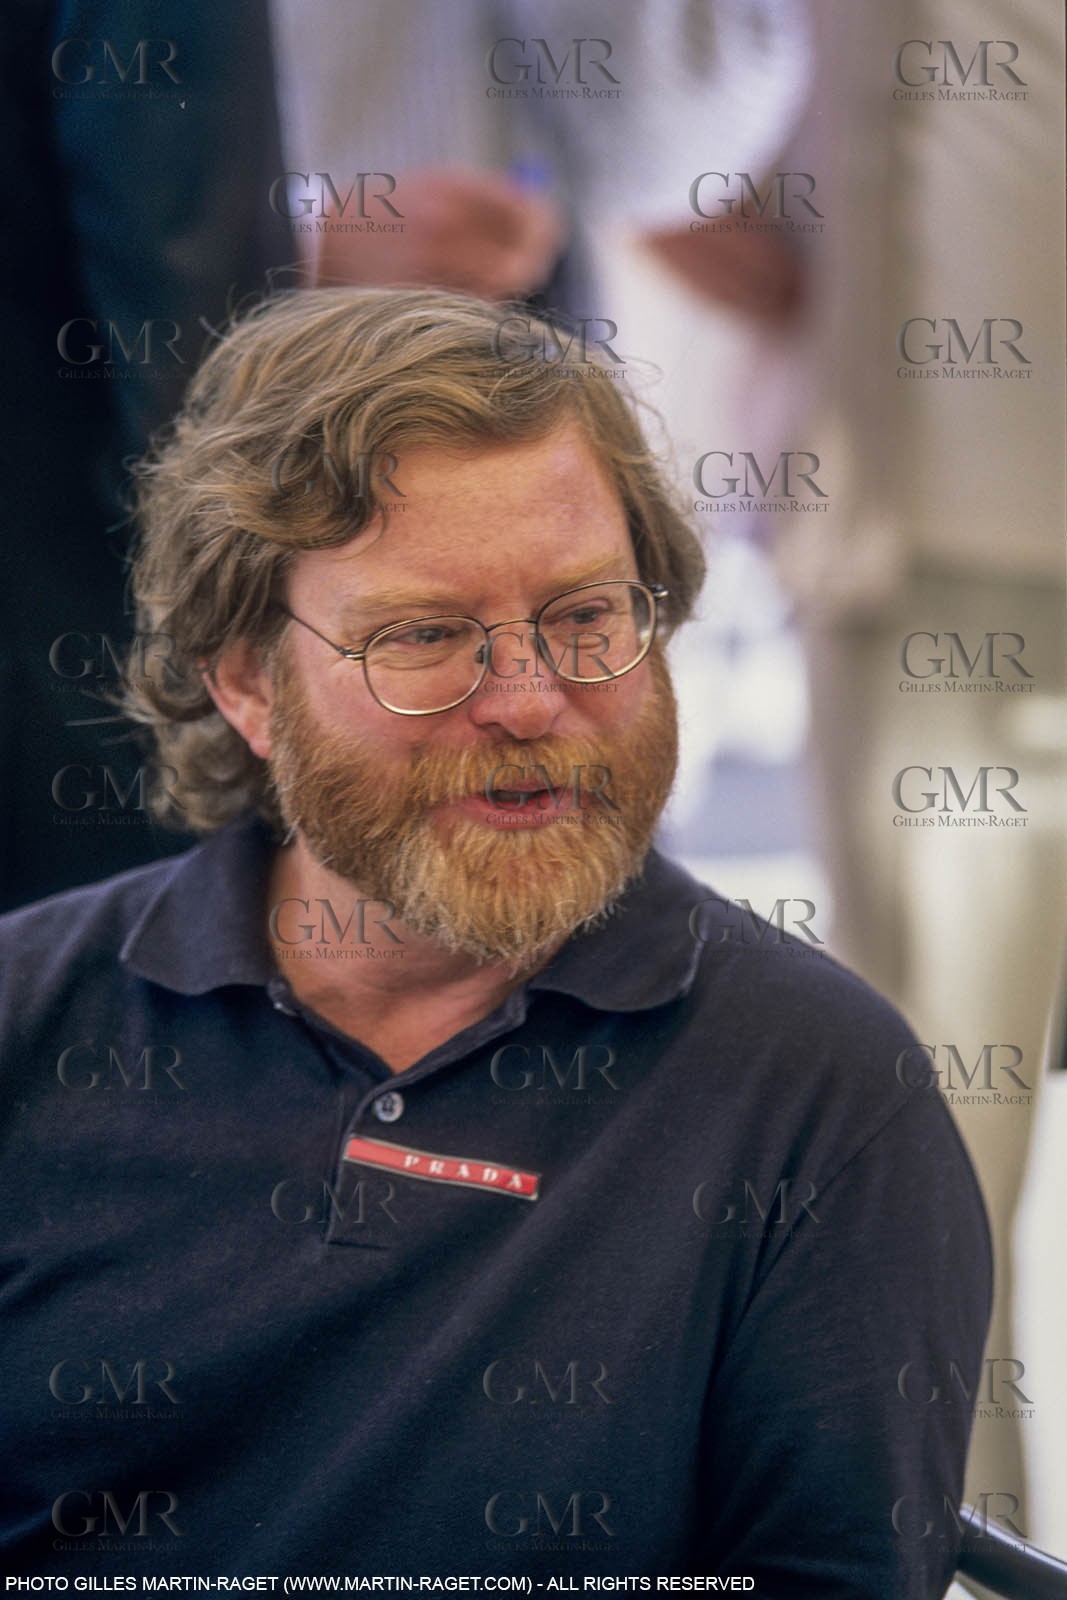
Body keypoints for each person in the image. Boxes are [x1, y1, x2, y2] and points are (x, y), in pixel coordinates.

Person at [0, 289, 991, 1592]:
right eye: (425, 636)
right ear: (244, 681)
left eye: (585, 617)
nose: (530, 701)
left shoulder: (816, 1094)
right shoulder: (30, 1027)